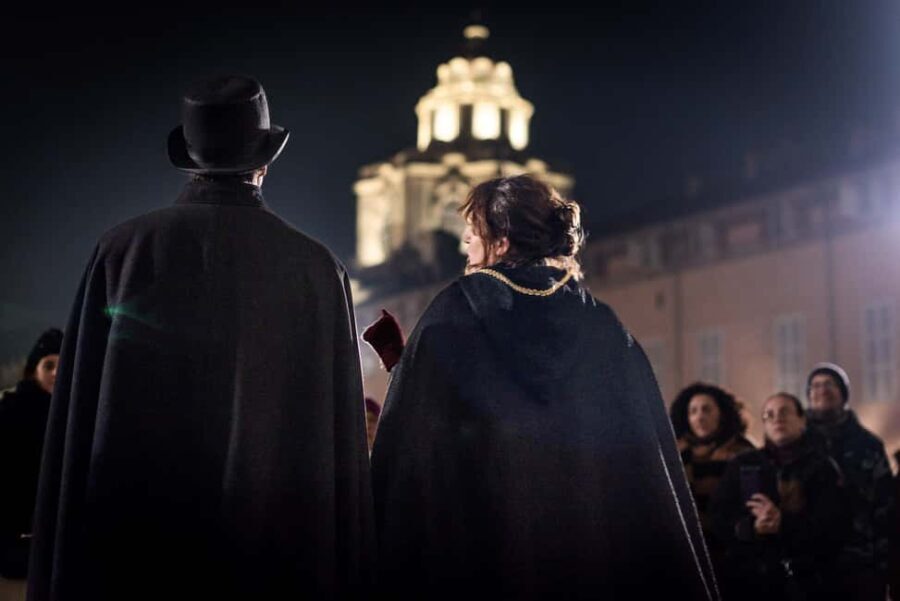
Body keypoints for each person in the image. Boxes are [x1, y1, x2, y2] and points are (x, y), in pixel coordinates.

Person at [27, 76, 374, 600]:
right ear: (264, 163)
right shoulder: (315, 267)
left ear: (191, 158)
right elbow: (334, 431)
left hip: (137, 539)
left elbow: (81, 409)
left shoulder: (123, 249)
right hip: (269, 544)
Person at [371, 175, 718, 600]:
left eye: (474, 227)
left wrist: (406, 369)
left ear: (501, 241)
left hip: (488, 542)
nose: (464, 238)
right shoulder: (599, 322)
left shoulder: (457, 308)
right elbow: (639, 458)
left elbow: (423, 439)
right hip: (588, 547)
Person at [709, 393, 847, 601]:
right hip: (749, 584)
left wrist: (783, 523)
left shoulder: (822, 468)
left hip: (810, 584)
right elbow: (718, 517)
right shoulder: (743, 465)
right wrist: (751, 528)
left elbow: (835, 527)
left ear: (802, 420)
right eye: (769, 415)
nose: (777, 419)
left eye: (784, 412)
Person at [805, 363, 894, 601]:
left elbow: (886, 506)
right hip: (807, 562)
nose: (822, 390)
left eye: (829, 385)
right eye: (815, 386)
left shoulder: (868, 445)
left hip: (860, 561)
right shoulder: (794, 444)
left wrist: (887, 564)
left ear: (843, 394)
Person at [0, 329, 62, 599]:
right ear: (32, 370)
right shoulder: (10, 409)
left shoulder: (71, 419)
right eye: (48, 365)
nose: (56, 373)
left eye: (63, 365)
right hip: (12, 537)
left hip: (51, 543)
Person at [670, 383, 756, 531]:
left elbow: (751, 502)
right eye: (693, 411)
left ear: (721, 414)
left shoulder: (744, 453)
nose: (700, 417)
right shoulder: (674, 455)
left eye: (706, 410)